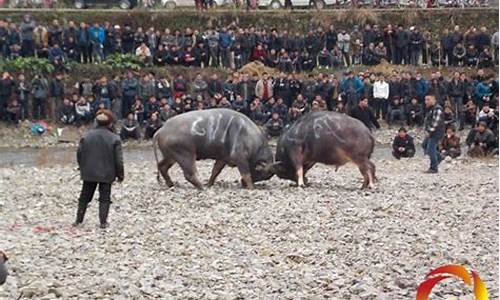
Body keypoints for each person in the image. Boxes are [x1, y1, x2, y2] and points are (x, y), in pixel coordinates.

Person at [74, 109, 124, 229]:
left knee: (84, 197)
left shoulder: (86, 136)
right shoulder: (114, 138)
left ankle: (78, 221)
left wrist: (82, 168)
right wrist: (120, 175)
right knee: (104, 198)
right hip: (107, 174)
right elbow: (119, 160)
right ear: (110, 123)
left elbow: (79, 154)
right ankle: (103, 222)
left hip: (89, 172)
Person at [422, 94, 445, 173]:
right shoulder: (430, 109)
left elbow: (436, 122)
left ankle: (434, 168)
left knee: (430, 149)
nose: (426, 102)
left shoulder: (437, 109)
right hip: (431, 131)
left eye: (428, 100)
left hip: (436, 132)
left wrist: (429, 131)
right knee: (424, 145)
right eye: (425, 100)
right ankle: (439, 157)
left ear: (433, 99)